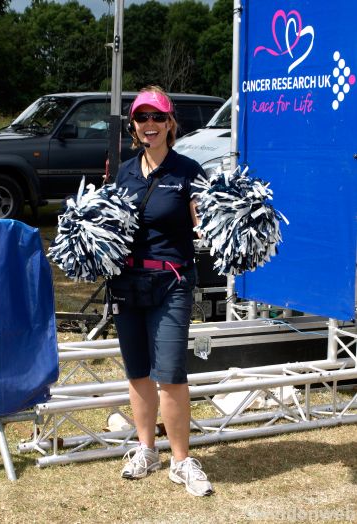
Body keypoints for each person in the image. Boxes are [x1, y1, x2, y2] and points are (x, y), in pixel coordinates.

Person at [111, 85, 213, 497]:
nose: (149, 124)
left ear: (171, 123)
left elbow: (203, 220)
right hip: (127, 284)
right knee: (137, 371)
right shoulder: (124, 171)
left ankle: (181, 460)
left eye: (157, 117)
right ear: (134, 126)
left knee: (169, 374)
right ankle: (145, 449)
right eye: (141, 118)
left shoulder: (188, 170)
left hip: (172, 282)